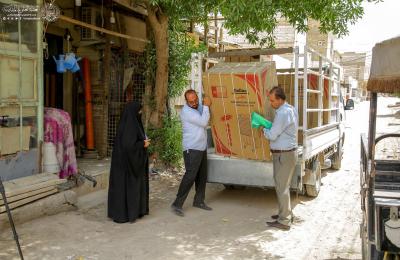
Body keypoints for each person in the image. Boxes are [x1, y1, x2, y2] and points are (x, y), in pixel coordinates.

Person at [260, 86, 298, 230]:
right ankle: (286, 213)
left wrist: (263, 128)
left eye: (272, 100)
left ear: (280, 100)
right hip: (286, 153)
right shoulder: (290, 109)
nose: (271, 103)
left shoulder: (282, 113)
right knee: (283, 186)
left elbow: (272, 135)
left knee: (281, 187)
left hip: (284, 154)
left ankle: (284, 220)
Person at [108, 101, 151, 223]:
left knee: (122, 188)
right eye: (139, 111)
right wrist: (143, 143)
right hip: (128, 165)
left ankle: (123, 214)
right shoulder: (131, 125)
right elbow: (129, 145)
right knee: (129, 187)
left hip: (121, 164)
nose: (141, 113)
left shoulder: (126, 122)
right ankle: (128, 214)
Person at [171, 89, 212, 217]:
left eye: (195, 100)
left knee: (202, 176)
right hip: (192, 148)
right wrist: (206, 106)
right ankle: (177, 204)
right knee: (190, 176)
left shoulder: (198, 107)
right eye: (191, 102)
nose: (194, 103)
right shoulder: (186, 112)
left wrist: (204, 105)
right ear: (186, 101)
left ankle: (199, 201)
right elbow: (204, 122)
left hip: (201, 147)